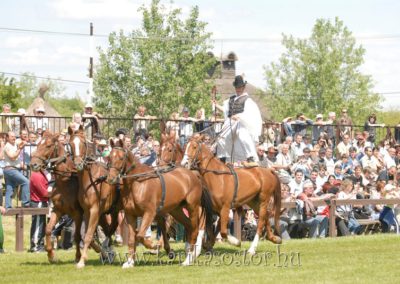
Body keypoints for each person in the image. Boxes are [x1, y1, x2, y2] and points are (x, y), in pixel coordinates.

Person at [213, 75, 262, 166]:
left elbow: (251, 114)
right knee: (221, 138)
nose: (238, 89)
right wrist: (216, 105)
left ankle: (251, 157)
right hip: (230, 123)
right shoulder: (231, 99)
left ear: (243, 87)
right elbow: (226, 110)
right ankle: (224, 159)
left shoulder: (248, 101)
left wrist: (239, 116)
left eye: (240, 87)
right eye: (237, 87)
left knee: (242, 134)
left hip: (241, 123)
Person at [3, 131, 30, 208]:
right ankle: (25, 203)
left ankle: (8, 207)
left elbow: (16, 160)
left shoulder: (14, 145)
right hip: (11, 170)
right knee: (26, 182)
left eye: (14, 136)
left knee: (9, 188)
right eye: (12, 136)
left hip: (12, 169)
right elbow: (12, 157)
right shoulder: (7, 146)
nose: (14, 138)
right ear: (7, 138)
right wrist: (20, 149)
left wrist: (22, 165)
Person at [29, 170, 50, 252]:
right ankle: (35, 246)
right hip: (38, 202)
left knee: (41, 224)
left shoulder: (42, 174)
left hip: (42, 202)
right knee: (38, 224)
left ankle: (39, 245)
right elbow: (44, 193)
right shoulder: (37, 176)